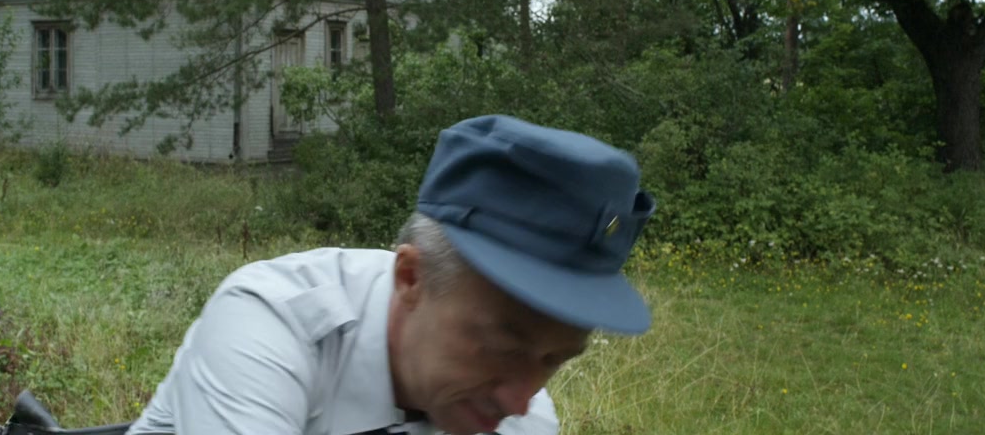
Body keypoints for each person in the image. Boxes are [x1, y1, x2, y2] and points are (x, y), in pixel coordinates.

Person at [125, 114, 656, 435]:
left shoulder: (521, 417)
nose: (521, 399)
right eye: (501, 347)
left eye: (554, 360)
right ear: (410, 278)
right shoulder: (268, 326)